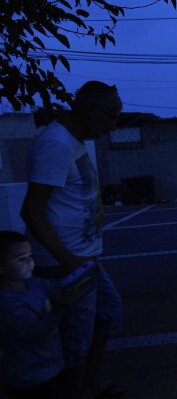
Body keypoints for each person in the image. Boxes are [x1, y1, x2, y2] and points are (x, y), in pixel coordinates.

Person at [20, 81, 124, 399]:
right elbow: (31, 211)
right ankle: (78, 391)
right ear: (91, 110)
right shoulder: (56, 144)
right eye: (110, 116)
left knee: (107, 315)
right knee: (76, 340)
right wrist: (70, 262)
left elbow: (67, 196)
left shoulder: (74, 141)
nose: (113, 124)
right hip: (65, 264)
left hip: (83, 259)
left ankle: (88, 384)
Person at [0, 231, 69, 399]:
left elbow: (57, 286)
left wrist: (81, 275)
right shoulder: (7, 303)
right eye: (21, 259)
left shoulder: (33, 283)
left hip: (50, 367)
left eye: (30, 256)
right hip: (27, 378)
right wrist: (59, 309)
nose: (30, 262)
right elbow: (35, 334)